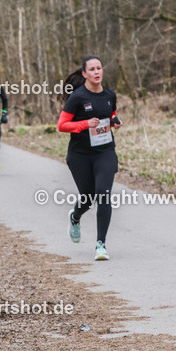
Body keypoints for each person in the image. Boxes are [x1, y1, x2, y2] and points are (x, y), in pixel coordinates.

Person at [57, 55, 122, 260]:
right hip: (80, 155)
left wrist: (115, 121)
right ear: (84, 74)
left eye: (99, 68)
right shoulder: (77, 97)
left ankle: (101, 244)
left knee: (103, 194)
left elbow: (111, 114)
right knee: (87, 198)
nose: (96, 72)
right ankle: (75, 217)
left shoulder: (110, 95)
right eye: (92, 69)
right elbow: (62, 125)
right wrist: (85, 124)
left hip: (105, 152)